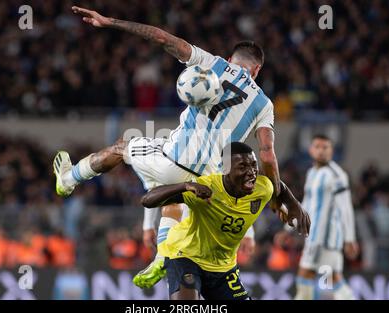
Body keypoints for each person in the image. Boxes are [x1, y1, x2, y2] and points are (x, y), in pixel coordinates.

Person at [54, 5, 310, 285]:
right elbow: (267, 154)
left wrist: (110, 21)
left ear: (230, 59)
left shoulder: (213, 64)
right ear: (257, 70)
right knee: (173, 201)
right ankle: (162, 257)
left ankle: (69, 178)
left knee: (121, 147)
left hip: (173, 159)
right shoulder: (264, 104)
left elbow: (161, 38)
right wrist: (275, 193)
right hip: (210, 182)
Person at [138, 142, 300, 299]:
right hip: (186, 256)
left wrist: (295, 206)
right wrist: (185, 186)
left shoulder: (262, 188)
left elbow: (279, 187)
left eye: (253, 165)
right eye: (243, 167)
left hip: (223, 267)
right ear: (226, 170)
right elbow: (147, 200)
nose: (251, 172)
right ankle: (161, 258)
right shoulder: (206, 188)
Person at [293, 134, 359, 300]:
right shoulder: (312, 173)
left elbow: (346, 207)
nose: (321, 151)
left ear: (332, 151)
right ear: (310, 150)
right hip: (315, 237)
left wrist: (349, 238)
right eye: (318, 147)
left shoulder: (336, 175)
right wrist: (289, 227)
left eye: (325, 147)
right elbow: (306, 204)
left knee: (311, 278)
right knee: (332, 280)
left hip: (326, 240)